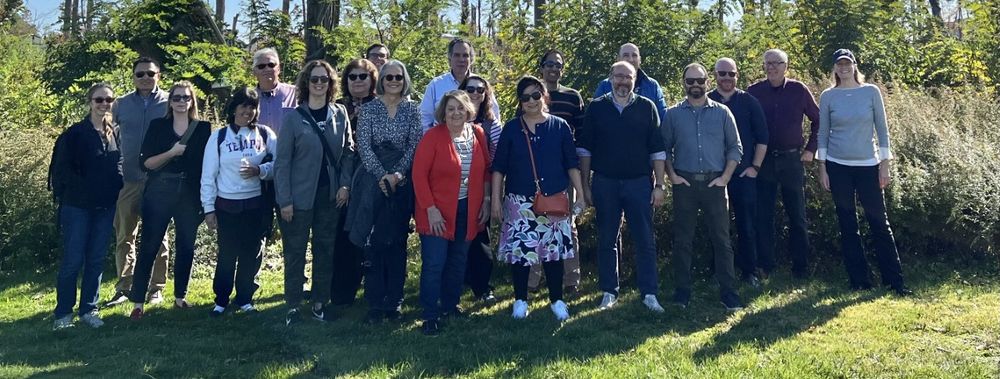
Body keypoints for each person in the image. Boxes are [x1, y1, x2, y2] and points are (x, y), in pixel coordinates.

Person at [816, 49, 912, 296]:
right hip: (838, 167)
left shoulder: (871, 92)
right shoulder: (828, 96)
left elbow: (882, 129)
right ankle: (859, 281)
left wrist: (885, 164)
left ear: (855, 66)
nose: (844, 67)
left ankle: (895, 282)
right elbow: (822, 133)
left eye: (848, 63)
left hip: (869, 166)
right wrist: (823, 167)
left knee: (879, 223)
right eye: (840, 64)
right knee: (848, 225)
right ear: (835, 68)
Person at [492, 76, 585, 321]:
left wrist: (581, 196)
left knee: (553, 253)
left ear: (544, 96)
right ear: (520, 102)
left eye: (535, 95)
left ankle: (557, 300)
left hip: (554, 197)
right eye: (525, 97)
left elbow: (572, 165)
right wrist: (495, 201)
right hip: (519, 200)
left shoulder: (560, 127)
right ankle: (520, 300)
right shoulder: (511, 128)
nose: (531, 101)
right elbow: (499, 168)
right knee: (522, 254)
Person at [578, 61, 667, 313]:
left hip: (639, 182)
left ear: (634, 79)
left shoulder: (646, 107)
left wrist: (659, 185)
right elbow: (585, 150)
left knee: (645, 240)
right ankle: (609, 291)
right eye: (618, 77)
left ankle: (649, 293)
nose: (623, 82)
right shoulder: (597, 108)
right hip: (605, 182)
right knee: (607, 238)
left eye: (628, 77)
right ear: (610, 78)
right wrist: (584, 186)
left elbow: (657, 151)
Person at [275, 60, 356, 325]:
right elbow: (282, 162)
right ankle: (293, 305)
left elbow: (348, 151)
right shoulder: (293, 118)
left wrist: (344, 185)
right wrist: (284, 200)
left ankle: (320, 302)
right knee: (295, 252)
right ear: (306, 83)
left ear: (331, 84)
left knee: (325, 249)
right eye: (314, 80)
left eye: (324, 80)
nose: (319, 84)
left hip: (330, 196)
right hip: (298, 198)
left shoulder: (340, 113)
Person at [662, 63, 745, 311]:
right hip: (684, 184)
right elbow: (663, 149)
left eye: (700, 80)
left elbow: (735, 148)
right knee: (682, 240)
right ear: (684, 83)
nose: (695, 85)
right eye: (690, 81)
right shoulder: (672, 114)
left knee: (722, 240)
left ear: (708, 82)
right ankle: (682, 293)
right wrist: (672, 176)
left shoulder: (722, 113)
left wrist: (726, 178)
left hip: (715, 184)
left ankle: (729, 293)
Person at [345, 60, 422, 324]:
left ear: (405, 80)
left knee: (397, 242)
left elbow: (415, 145)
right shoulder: (369, 110)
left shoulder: (413, 109)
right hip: (371, 179)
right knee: (374, 242)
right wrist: (381, 176)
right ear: (382, 80)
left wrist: (397, 175)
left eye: (398, 77)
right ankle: (375, 303)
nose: (393, 81)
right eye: (388, 77)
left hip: (402, 181)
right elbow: (362, 146)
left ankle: (395, 302)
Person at [129, 81, 211, 320]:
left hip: (190, 193)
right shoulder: (158, 126)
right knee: (149, 246)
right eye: (176, 98)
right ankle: (137, 303)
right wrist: (172, 152)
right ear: (170, 101)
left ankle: (180, 297)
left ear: (192, 101)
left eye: (186, 98)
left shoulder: (203, 128)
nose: (181, 102)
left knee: (186, 246)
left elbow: (208, 165)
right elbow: (146, 163)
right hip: (160, 191)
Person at [412, 90, 490, 335]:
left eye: (460, 108)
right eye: (450, 109)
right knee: (435, 263)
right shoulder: (433, 137)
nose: (456, 113)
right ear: (442, 113)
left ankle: (450, 305)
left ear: (469, 110)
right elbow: (418, 175)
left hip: (467, 209)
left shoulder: (477, 134)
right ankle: (430, 314)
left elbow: (487, 169)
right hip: (436, 210)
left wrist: (487, 200)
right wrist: (430, 209)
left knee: (458, 261)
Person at [50, 83, 123, 330]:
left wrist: (116, 186)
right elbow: (61, 172)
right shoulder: (75, 134)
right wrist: (83, 192)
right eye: (99, 100)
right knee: (73, 260)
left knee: (95, 259)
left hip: (105, 208)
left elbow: (118, 164)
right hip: (77, 208)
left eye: (108, 100)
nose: (104, 104)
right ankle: (63, 314)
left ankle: (89, 310)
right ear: (89, 102)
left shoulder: (114, 133)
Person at [200, 87, 277, 317]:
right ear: (234, 107)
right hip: (227, 206)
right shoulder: (220, 137)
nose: (247, 111)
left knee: (250, 253)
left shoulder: (265, 134)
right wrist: (208, 209)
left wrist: (260, 170)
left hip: (255, 205)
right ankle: (221, 300)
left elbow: (280, 164)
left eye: (252, 106)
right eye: (243, 105)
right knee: (227, 254)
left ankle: (244, 299)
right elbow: (208, 175)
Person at [747, 48, 819, 279]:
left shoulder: (799, 90)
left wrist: (810, 149)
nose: (771, 67)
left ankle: (801, 267)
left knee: (797, 215)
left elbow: (819, 120)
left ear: (786, 66)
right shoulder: (754, 92)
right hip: (764, 161)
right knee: (763, 216)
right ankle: (765, 266)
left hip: (791, 160)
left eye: (777, 63)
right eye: (767, 63)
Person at [106, 57, 170, 307]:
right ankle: (124, 288)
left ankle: (156, 288)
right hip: (128, 180)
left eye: (150, 74)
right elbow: (106, 133)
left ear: (158, 75)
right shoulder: (121, 104)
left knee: (159, 237)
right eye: (140, 74)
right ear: (133, 77)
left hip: (159, 181)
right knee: (124, 236)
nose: (145, 78)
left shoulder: (169, 102)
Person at [528, 48, 586, 296]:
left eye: (558, 65)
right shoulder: (530, 93)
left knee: (567, 223)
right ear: (541, 67)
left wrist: (583, 176)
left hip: (565, 170)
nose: (553, 68)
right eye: (549, 64)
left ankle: (570, 279)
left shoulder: (573, 97)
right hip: (534, 171)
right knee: (535, 222)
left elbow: (582, 137)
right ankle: (532, 280)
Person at [707, 58, 769, 287]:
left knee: (746, 225)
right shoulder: (707, 101)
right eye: (722, 74)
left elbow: (763, 138)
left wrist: (755, 167)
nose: (726, 78)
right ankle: (718, 272)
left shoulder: (749, 102)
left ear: (737, 75)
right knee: (718, 226)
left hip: (743, 176)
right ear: (715, 75)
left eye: (731, 74)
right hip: (714, 175)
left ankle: (749, 271)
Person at [330, 58, 379, 307]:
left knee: (369, 236)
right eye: (353, 76)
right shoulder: (336, 108)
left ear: (372, 80)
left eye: (363, 76)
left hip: (371, 180)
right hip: (343, 180)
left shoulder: (382, 106)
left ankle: (374, 291)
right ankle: (342, 292)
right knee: (343, 236)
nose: (358, 81)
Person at [457, 74, 501, 303]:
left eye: (480, 90)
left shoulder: (491, 125)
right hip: (453, 189)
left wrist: (489, 196)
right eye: (470, 89)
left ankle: (483, 287)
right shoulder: (449, 120)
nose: (475, 94)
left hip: (483, 186)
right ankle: (456, 283)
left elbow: (496, 162)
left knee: (480, 236)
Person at [418, 38, 500, 132]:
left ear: (471, 59)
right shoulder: (436, 85)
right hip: (443, 143)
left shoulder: (481, 85)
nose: (461, 59)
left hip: (479, 143)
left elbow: (494, 115)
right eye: (457, 55)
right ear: (450, 58)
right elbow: (424, 119)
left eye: (465, 55)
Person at [593, 43, 668, 123]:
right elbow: (595, 117)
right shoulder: (605, 85)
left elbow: (662, 118)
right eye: (626, 55)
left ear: (640, 60)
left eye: (634, 55)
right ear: (618, 59)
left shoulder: (652, 86)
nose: (630, 59)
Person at [253, 48, 298, 133]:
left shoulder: (295, 93)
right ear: (254, 72)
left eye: (271, 65)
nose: (267, 69)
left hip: (288, 146)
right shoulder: (248, 98)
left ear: (278, 68)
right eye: (261, 66)